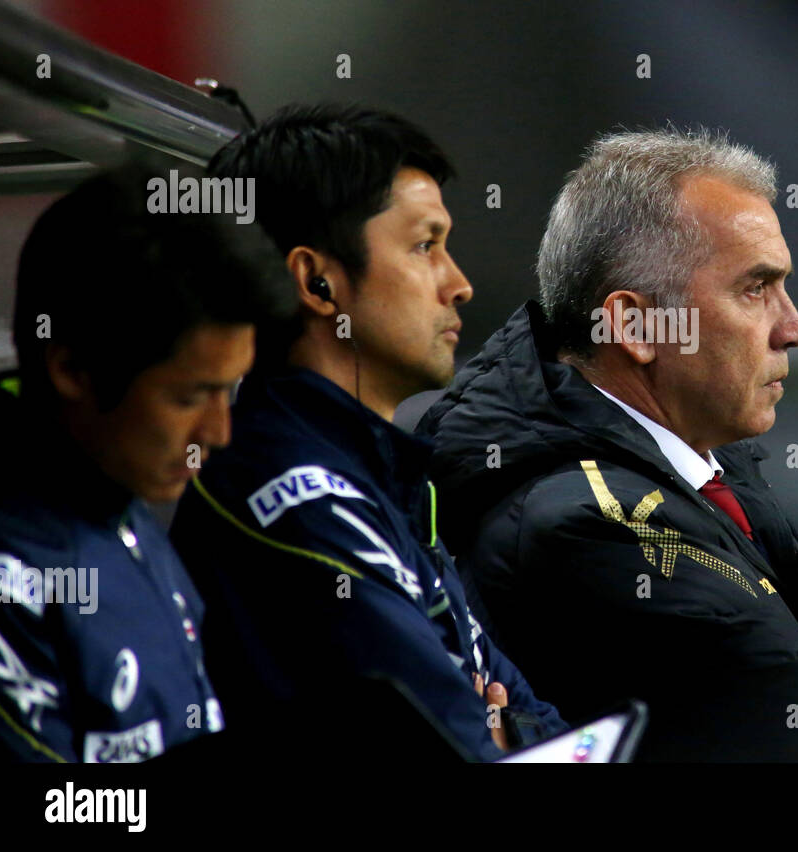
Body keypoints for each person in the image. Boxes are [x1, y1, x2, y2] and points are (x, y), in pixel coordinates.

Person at [418, 128, 798, 761]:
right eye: (754, 289)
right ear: (635, 326)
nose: (794, 328)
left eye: (784, 288)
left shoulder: (705, 472)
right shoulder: (590, 524)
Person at [169, 104, 565, 760]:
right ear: (317, 283)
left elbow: (530, 719)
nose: (460, 285)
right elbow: (455, 743)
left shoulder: (378, 472)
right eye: (424, 245)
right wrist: (505, 732)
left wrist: (513, 731)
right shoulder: (289, 490)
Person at [0, 169, 296, 761]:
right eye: (189, 397)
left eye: (229, 392)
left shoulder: (123, 498)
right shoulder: (13, 571)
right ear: (73, 370)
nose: (218, 433)